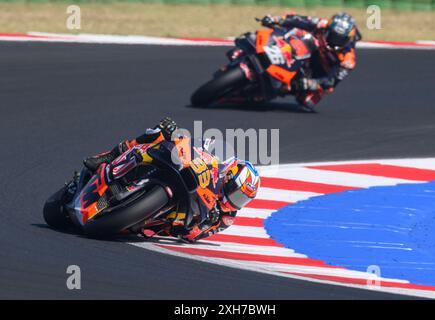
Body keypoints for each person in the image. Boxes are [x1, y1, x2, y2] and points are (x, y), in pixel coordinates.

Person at [83, 117, 261, 242]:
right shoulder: (218, 166)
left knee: (143, 230)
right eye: (237, 193)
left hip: (171, 222)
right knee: (158, 134)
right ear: (229, 177)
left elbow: (194, 236)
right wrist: (174, 134)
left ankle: (128, 218)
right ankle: (109, 156)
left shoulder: (226, 218)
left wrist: (205, 222)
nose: (236, 200)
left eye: (242, 199)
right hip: (181, 174)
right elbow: (198, 145)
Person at [260, 12, 362, 111]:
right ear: (328, 29)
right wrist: (276, 20)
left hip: (319, 72)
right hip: (309, 52)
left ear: (347, 40)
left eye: (340, 39)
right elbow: (298, 19)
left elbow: (331, 81)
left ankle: (280, 88)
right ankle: (270, 49)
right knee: (299, 34)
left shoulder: (348, 61)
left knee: (307, 102)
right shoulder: (322, 24)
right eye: (333, 36)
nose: (334, 41)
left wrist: (313, 83)